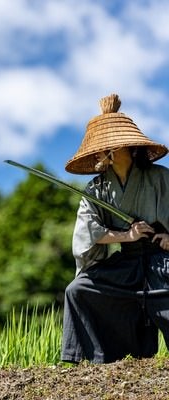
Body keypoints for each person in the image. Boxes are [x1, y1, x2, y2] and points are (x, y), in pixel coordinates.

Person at [61, 93, 169, 363]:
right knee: (78, 290)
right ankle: (91, 361)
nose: (102, 151)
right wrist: (126, 235)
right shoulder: (96, 189)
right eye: (99, 147)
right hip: (127, 263)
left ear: (130, 147)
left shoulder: (160, 178)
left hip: (162, 259)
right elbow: (89, 231)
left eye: (110, 145)